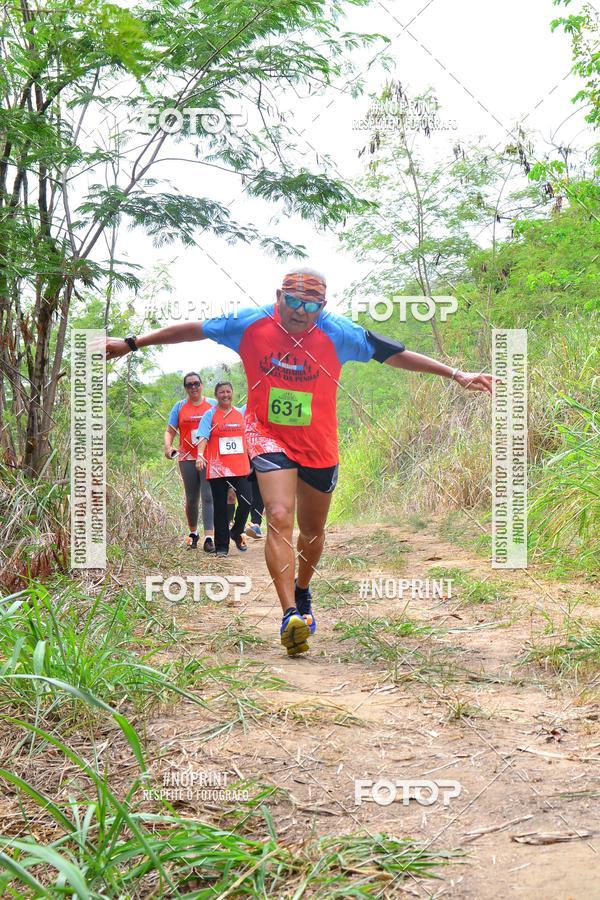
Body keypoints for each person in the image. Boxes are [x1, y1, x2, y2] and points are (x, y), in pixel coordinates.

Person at [107, 267, 494, 656]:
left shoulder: (337, 331)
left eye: (311, 306)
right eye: (292, 301)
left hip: (318, 444)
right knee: (277, 514)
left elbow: (393, 353)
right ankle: (289, 613)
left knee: (312, 532)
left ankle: (303, 591)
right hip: (266, 434)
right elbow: (194, 329)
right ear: (278, 296)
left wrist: (456, 374)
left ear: (322, 306)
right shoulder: (249, 323)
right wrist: (131, 343)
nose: (300, 312)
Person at [195, 381, 252, 557]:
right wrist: (200, 454)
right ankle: (222, 547)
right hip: (218, 467)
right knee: (219, 506)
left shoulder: (241, 413)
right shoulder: (210, 415)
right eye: (221, 392)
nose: (225, 395)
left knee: (247, 501)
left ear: (232, 393)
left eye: (228, 391)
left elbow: (249, 434)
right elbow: (203, 436)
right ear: (216, 395)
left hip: (240, 467)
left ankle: (236, 531)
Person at [164, 372, 216, 552]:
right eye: (189, 385)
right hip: (187, 457)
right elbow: (170, 430)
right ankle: (193, 533)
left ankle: (210, 537)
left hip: (208, 456)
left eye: (196, 384)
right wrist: (168, 446)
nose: (193, 387)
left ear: (202, 385)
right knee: (192, 498)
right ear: (185, 388)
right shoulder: (179, 407)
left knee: (208, 496)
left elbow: (226, 422)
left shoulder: (213, 404)